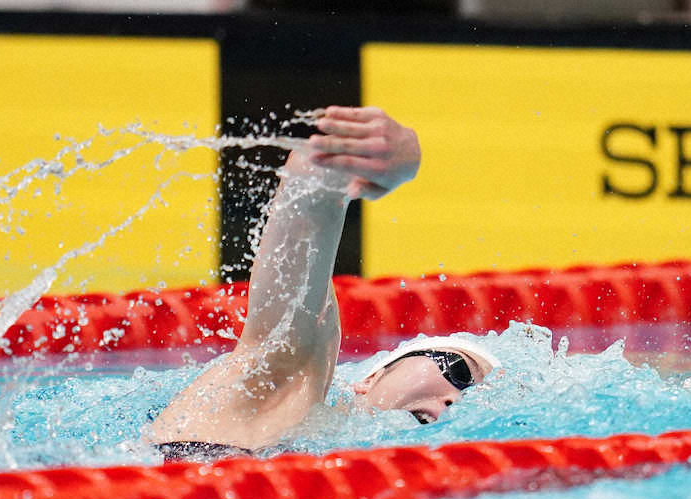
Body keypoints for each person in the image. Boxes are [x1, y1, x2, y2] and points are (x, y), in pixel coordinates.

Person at [146, 106, 499, 461]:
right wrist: (356, 159)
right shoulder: (290, 380)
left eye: (473, 404)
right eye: (458, 372)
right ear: (371, 378)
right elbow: (310, 182)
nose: (457, 401)